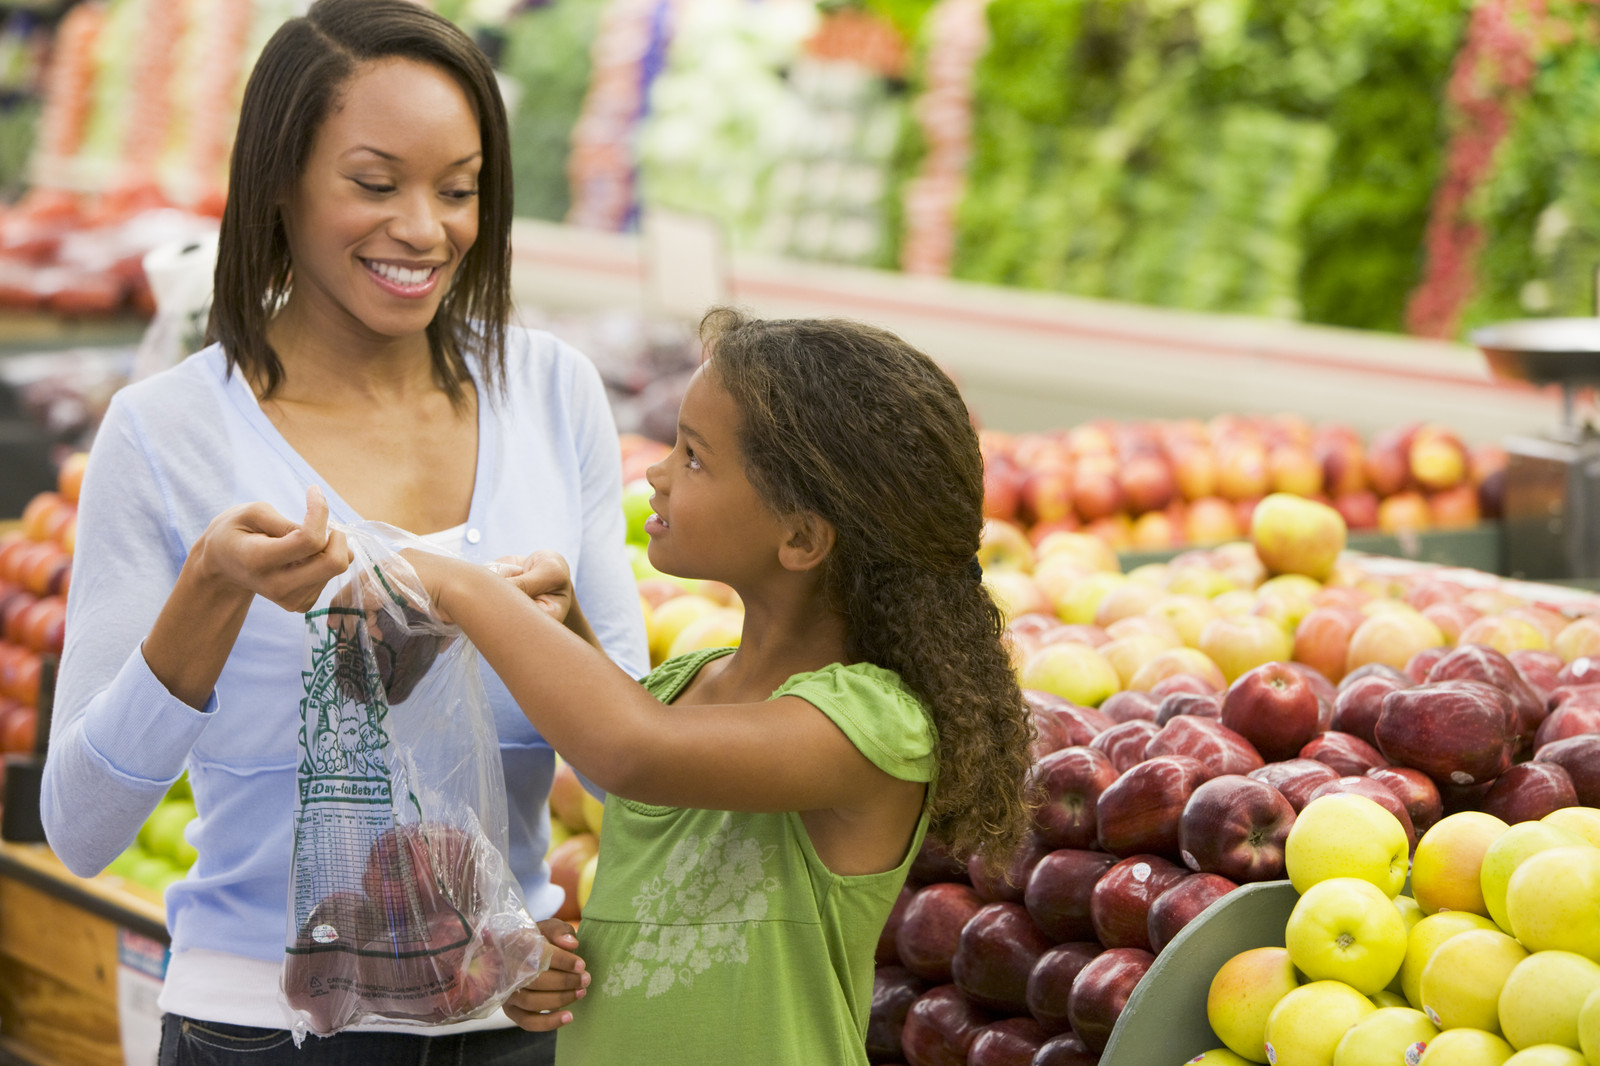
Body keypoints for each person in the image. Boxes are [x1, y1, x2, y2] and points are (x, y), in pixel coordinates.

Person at [40, 2, 648, 1063]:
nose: (425, 227)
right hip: (261, 1031)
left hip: (505, 1027)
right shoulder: (170, 430)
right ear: (278, 181)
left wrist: (560, 635)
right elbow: (80, 828)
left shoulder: (552, 392)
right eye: (375, 184)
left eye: (459, 190)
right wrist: (210, 591)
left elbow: (631, 780)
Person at [401, 309, 1036, 1065]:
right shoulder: (685, 682)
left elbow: (632, 752)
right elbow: (638, 768)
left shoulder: (873, 725)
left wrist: (466, 588)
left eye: (695, 458)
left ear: (801, 538)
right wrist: (546, 967)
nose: (657, 474)